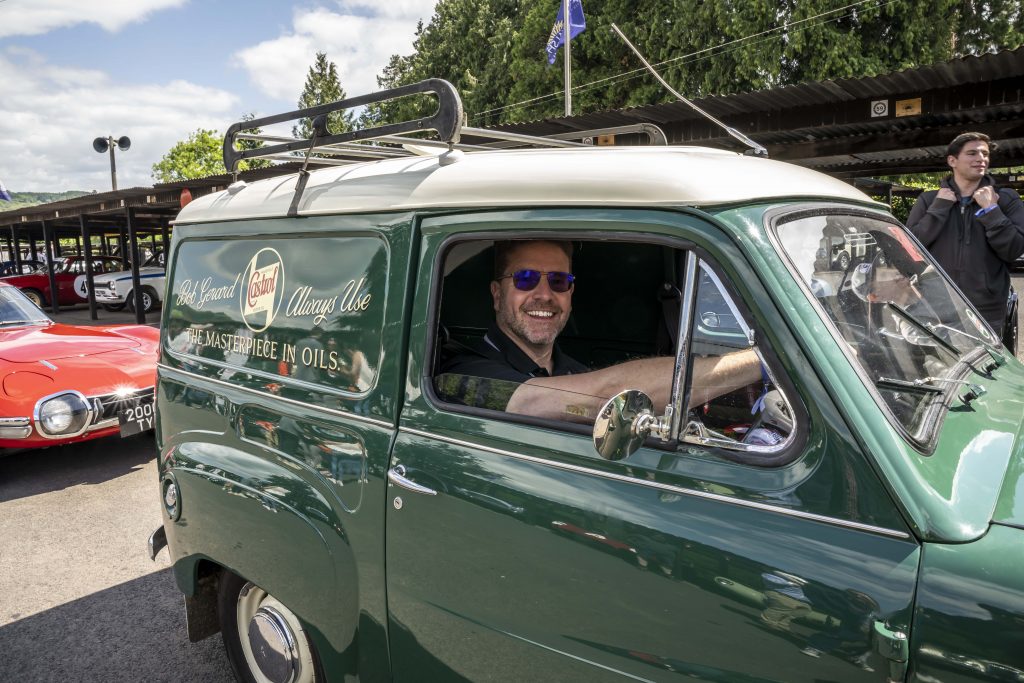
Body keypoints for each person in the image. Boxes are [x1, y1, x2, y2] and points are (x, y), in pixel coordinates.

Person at [440, 240, 762, 422]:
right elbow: (603, 397)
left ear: (570, 295)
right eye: (525, 279)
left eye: (558, 281)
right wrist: (766, 361)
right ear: (497, 294)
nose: (544, 294)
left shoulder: (573, 371)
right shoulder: (463, 375)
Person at [906, 132, 1024, 335]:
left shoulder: (1005, 199)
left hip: (985, 309)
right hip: (934, 306)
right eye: (972, 153)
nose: (981, 159)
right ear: (952, 160)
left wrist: (991, 211)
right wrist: (939, 208)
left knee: (985, 365)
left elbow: (1014, 250)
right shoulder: (929, 200)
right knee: (935, 365)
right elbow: (910, 247)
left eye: (985, 154)